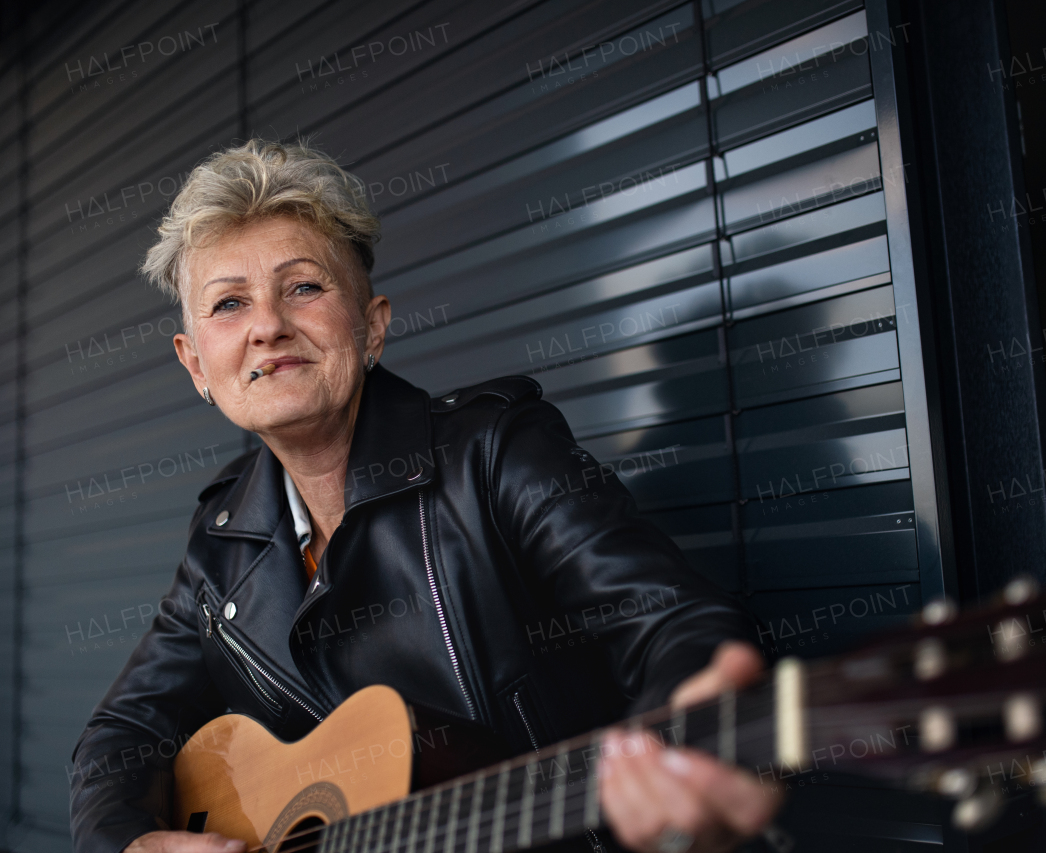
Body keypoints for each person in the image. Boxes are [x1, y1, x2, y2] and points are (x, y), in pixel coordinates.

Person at [69, 140, 780, 853]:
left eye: (305, 288)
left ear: (372, 324)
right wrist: (129, 845)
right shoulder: (220, 540)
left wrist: (685, 733)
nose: (267, 326)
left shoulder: (494, 453)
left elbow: (675, 621)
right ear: (196, 364)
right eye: (228, 303)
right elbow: (123, 733)